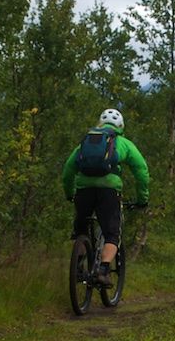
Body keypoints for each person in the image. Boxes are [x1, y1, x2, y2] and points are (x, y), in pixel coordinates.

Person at [61, 108, 150, 284]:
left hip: (83, 191)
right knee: (112, 233)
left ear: (100, 123)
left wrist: (70, 194)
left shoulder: (85, 142)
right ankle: (103, 270)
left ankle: (78, 267)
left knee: (81, 230)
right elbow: (141, 171)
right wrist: (142, 199)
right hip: (108, 192)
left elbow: (68, 171)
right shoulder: (123, 143)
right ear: (121, 125)